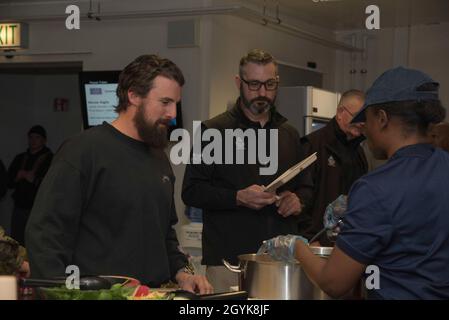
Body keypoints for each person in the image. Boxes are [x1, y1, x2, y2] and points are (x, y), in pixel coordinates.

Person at [25, 54, 213, 294]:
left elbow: (164, 234)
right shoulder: (83, 151)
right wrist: (62, 295)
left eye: (175, 103)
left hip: (152, 294)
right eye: (165, 102)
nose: (172, 113)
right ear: (133, 95)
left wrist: (183, 273)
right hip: (96, 296)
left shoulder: (159, 158)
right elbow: (45, 234)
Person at [261, 66, 449, 299]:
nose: (364, 131)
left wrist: (295, 246)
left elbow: (334, 283)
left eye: (366, 120)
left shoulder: (375, 188)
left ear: (381, 119)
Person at [182, 49, 313, 292]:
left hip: (281, 263)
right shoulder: (213, 131)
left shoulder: (289, 133)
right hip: (228, 265)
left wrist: (297, 200)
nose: (262, 93)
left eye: (269, 84)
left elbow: (306, 187)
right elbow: (191, 191)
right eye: (253, 84)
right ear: (238, 83)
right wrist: (237, 197)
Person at [297, 90, 368, 246]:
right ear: (340, 113)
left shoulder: (360, 153)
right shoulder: (312, 145)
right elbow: (300, 199)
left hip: (347, 243)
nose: (362, 122)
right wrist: (310, 239)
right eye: (357, 116)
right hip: (315, 243)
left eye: (365, 118)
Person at [7, 125, 53, 245]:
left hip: (39, 209)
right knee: (16, 242)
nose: (33, 140)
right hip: (19, 207)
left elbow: (53, 185)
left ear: (44, 140)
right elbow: (8, 182)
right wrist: (17, 177)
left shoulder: (51, 159)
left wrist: (34, 179)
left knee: (36, 242)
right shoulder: (20, 158)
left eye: (37, 137)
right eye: (31, 137)